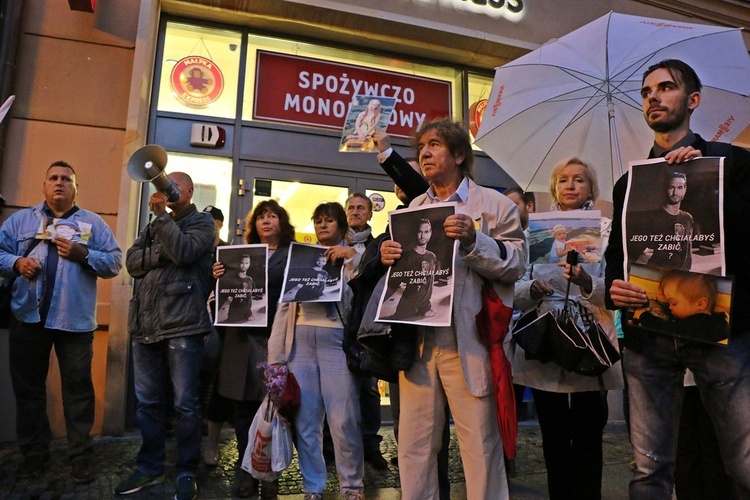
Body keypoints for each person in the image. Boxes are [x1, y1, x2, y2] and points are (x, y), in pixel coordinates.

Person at [605, 59, 750, 496]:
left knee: (744, 463)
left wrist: (706, 177)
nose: (653, 96)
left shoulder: (731, 163)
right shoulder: (630, 182)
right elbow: (619, 254)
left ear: (693, 100)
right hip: (649, 333)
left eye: (665, 88)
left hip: (719, 329)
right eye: (647, 90)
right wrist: (615, 287)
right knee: (649, 471)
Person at [380, 118, 527, 499]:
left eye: (434, 145)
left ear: (459, 154)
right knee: (414, 447)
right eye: (421, 148)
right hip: (419, 344)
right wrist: (388, 255)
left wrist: (475, 240)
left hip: (470, 342)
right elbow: (406, 270)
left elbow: (515, 264)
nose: (425, 154)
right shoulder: (414, 207)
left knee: (479, 446)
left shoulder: (493, 205)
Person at [0, 161, 122, 483]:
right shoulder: (20, 221)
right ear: (43, 185)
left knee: (78, 392)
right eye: (53, 178)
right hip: (28, 317)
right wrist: (17, 262)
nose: (59, 183)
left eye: (66, 179)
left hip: (75, 322)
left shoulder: (93, 224)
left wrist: (85, 255)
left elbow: (114, 262)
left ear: (76, 188)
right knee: (28, 390)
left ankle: (81, 456)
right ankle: (34, 454)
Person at [511, 157, 622, 500]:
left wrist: (588, 282)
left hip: (589, 337)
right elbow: (512, 288)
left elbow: (618, 288)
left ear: (592, 188)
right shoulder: (532, 234)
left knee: (589, 432)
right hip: (546, 339)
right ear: (554, 187)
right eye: (563, 180)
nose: (570, 186)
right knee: (554, 434)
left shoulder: (607, 232)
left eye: (579, 180)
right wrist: (531, 290)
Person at [116, 172, 215, 500]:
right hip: (145, 326)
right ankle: (150, 466)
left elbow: (185, 252)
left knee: (186, 405)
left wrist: (160, 220)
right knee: (148, 404)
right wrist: (161, 252)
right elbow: (131, 263)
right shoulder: (151, 226)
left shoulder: (200, 223)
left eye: (173, 186)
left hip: (183, 324)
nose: (167, 191)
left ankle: (187, 471)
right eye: (163, 186)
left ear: (188, 191)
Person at [268, 202, 365, 500]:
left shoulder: (354, 256)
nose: (323, 226)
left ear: (341, 227)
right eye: (318, 221)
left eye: (329, 221)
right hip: (300, 343)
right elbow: (285, 309)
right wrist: (275, 360)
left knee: (343, 418)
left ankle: (352, 487)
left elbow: (365, 292)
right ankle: (313, 487)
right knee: (306, 422)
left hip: (336, 340)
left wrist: (350, 259)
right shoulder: (300, 257)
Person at [214, 199, 295, 498]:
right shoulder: (238, 254)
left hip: (272, 337)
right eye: (261, 217)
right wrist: (220, 274)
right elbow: (225, 293)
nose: (266, 221)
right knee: (242, 407)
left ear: (282, 223)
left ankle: (270, 473)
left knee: (272, 408)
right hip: (240, 339)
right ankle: (246, 469)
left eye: (272, 216)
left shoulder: (290, 254)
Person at [629, 171, 694, 270]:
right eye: (671, 187)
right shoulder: (652, 219)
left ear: (685, 189)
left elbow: (687, 253)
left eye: (679, 187)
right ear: (665, 189)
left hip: (682, 278)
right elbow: (636, 255)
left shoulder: (688, 218)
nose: (675, 193)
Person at [387, 218, 437, 319]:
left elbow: (428, 284)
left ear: (430, 233)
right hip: (406, 310)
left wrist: (426, 307)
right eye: (420, 232)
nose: (423, 236)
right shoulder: (406, 257)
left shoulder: (432, 256)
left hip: (424, 310)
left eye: (426, 232)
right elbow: (392, 284)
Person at [221, 253, 255, 323]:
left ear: (249, 264)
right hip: (234, 316)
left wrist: (248, 313)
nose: (244, 265)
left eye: (246, 263)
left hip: (247, 315)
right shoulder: (232, 279)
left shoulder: (250, 279)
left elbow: (249, 298)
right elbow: (226, 296)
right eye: (242, 263)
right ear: (238, 264)